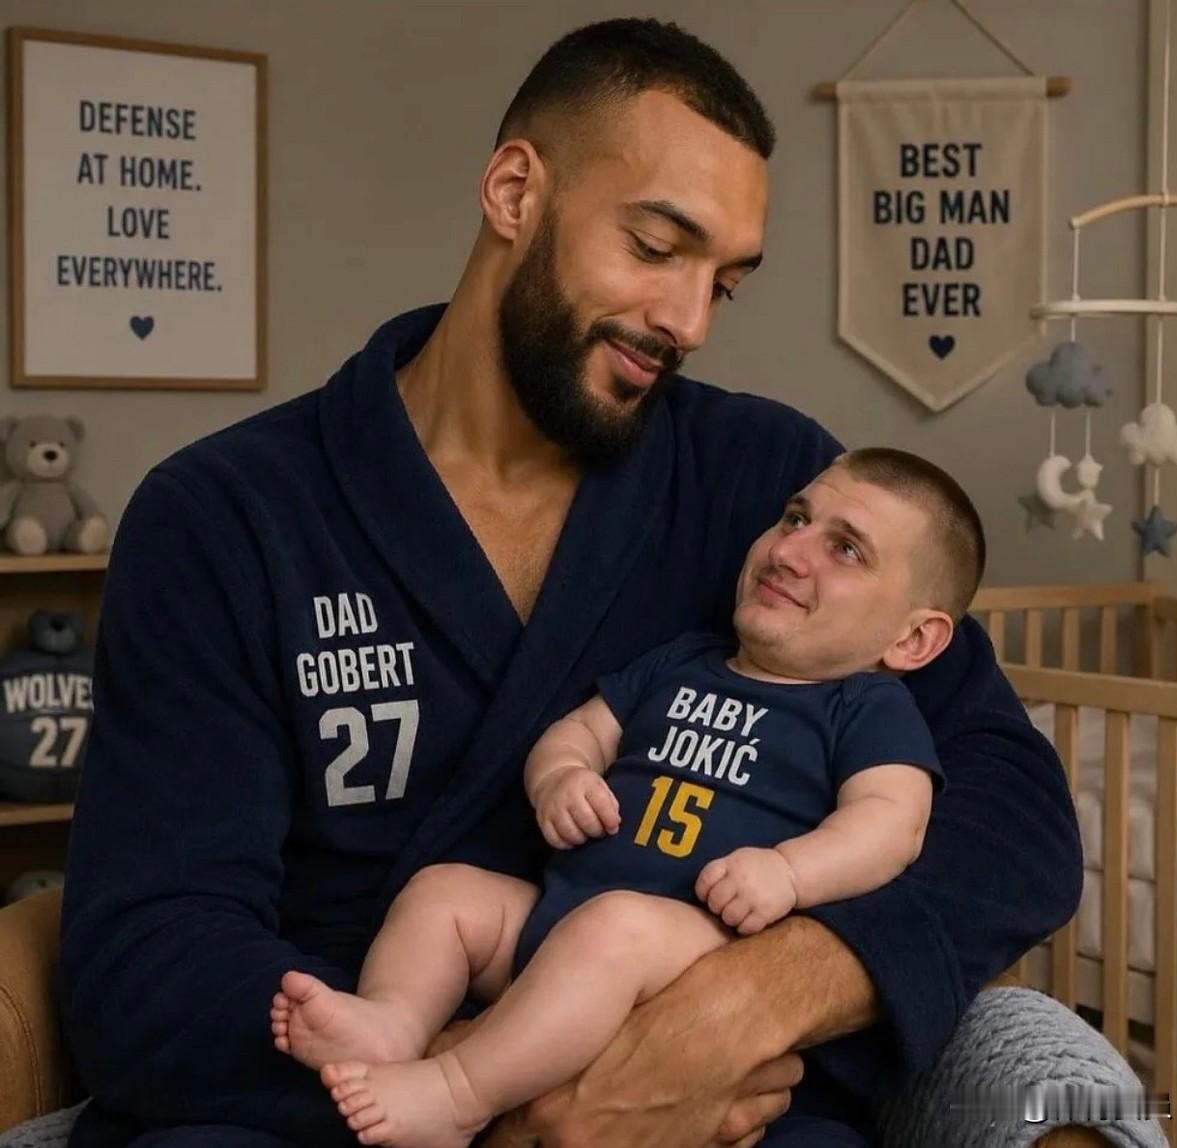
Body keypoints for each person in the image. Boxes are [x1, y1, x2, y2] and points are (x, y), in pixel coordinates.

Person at [59, 17, 1081, 1148]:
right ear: (514, 191)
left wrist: (756, 999)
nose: (688, 322)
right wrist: (515, 1102)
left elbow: (1015, 812)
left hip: (708, 1095)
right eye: (655, 246)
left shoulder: (767, 484)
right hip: (340, 1097)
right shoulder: (227, 517)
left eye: (725, 284)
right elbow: (147, 956)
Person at [269, 447, 979, 1148]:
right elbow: (580, 731)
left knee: (614, 930)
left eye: (846, 550)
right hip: (562, 922)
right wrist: (562, 776)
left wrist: (790, 872)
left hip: (693, 953)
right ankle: (393, 1024)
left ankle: (457, 1096)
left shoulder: (865, 709)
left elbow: (892, 824)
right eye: (795, 518)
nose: (790, 552)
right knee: (444, 893)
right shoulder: (682, 661)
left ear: (914, 639)